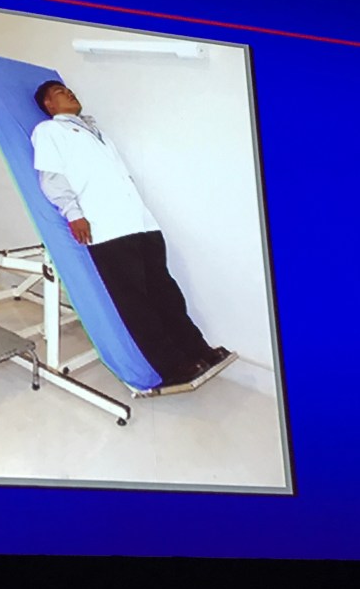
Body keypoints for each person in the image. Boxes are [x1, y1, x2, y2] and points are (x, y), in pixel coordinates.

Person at [30, 79, 230, 388]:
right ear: (49, 105)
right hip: (107, 228)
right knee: (137, 303)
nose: (68, 92)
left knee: (167, 294)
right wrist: (73, 214)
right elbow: (52, 178)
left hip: (141, 223)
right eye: (59, 92)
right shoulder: (49, 131)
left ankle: (197, 350)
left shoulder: (97, 132)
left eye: (68, 89)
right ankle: (172, 367)